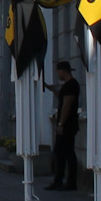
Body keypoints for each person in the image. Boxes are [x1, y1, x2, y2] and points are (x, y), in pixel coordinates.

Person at [43, 60, 81, 191]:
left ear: (64, 71)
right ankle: (63, 180)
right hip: (67, 124)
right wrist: (53, 90)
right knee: (64, 152)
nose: (57, 74)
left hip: (67, 125)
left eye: (58, 71)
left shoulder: (71, 85)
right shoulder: (69, 86)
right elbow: (63, 99)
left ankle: (67, 181)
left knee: (64, 152)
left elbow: (67, 105)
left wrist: (60, 124)